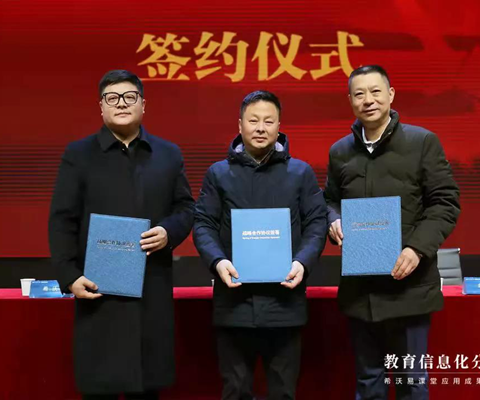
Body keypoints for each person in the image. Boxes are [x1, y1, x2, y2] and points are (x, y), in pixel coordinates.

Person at [48, 69, 194, 400]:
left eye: (130, 97)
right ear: (101, 107)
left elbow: (186, 208)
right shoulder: (79, 155)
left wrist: (168, 232)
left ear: (143, 104)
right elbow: (62, 219)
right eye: (112, 98)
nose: (122, 103)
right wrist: (69, 276)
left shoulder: (168, 154)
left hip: (151, 286)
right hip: (98, 290)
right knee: (100, 385)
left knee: (148, 385)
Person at [324, 65, 460, 400]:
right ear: (350, 100)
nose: (368, 100)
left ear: (391, 94)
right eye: (359, 94)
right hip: (361, 290)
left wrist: (416, 248)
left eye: (375, 91)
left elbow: (445, 202)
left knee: (411, 383)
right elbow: (330, 199)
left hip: (409, 287)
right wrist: (333, 219)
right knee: (368, 382)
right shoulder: (340, 151)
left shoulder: (421, 142)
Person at [193, 90, 327, 400]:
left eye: (269, 121)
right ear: (240, 125)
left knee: (283, 392)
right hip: (234, 303)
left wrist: (303, 261)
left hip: (285, 303)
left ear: (279, 126)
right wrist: (217, 261)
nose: (261, 128)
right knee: (235, 390)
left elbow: (316, 223)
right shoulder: (218, 174)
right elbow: (203, 223)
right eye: (253, 120)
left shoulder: (300, 172)